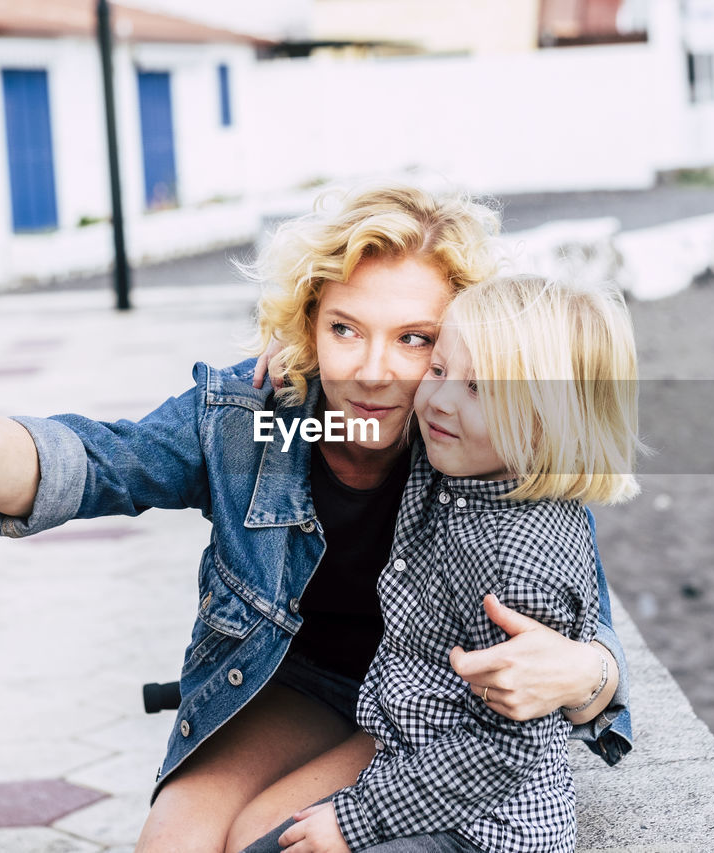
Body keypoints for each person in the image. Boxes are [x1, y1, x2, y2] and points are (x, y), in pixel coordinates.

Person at [0, 183, 633, 853]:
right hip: (290, 683)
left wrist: (587, 673)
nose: (372, 371)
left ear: (467, 342)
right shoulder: (258, 417)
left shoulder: (489, 441)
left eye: (417, 339)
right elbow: (90, 463)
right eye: (344, 329)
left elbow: (580, 629)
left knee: (267, 835)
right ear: (308, 321)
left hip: (416, 706)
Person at [241, 275, 644, 853]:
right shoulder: (461, 460)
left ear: (548, 420)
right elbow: (350, 424)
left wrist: (356, 820)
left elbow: (502, 750)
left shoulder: (518, 561)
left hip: (478, 828)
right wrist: (310, 366)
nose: (439, 399)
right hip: (414, 775)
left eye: (479, 387)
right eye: (438, 369)